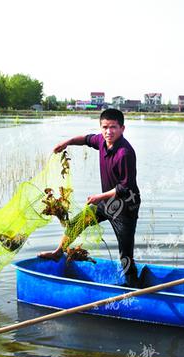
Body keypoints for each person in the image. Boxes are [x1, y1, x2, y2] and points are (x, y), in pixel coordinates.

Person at [38, 108, 141, 287]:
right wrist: (67, 142)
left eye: (113, 127)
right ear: (101, 128)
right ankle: (58, 252)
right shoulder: (101, 141)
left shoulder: (124, 153)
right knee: (76, 223)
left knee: (125, 254)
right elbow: (85, 139)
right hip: (104, 203)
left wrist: (99, 196)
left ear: (122, 129)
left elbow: (125, 188)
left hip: (125, 208)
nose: (109, 131)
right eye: (105, 127)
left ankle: (134, 288)